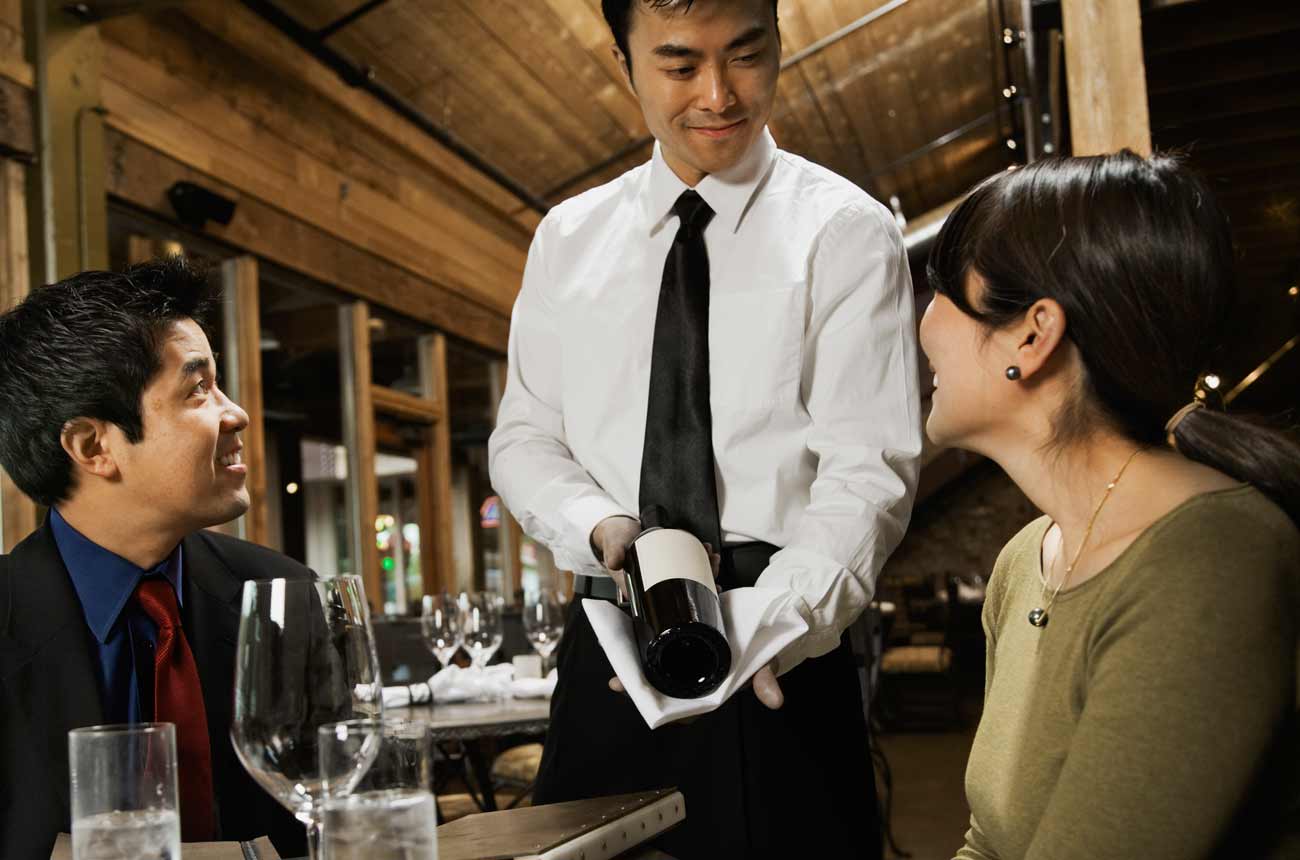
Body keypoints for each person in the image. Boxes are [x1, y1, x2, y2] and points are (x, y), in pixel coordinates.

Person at [488, 0, 922, 856]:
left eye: (746, 56)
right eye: (681, 66)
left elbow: (868, 471)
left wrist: (773, 623)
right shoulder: (568, 240)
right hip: (613, 638)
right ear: (625, 62)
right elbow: (523, 438)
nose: (719, 94)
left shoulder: (846, 232)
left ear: (778, 44)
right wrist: (597, 524)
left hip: (782, 650)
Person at [916, 152, 1300, 860]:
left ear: (1033, 337)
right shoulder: (1023, 562)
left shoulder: (1212, 563)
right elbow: (990, 842)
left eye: (944, 291)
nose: (924, 323)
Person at [0, 258, 308, 860]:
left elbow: (335, 822)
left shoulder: (283, 597)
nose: (235, 413)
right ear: (94, 446)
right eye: (197, 389)